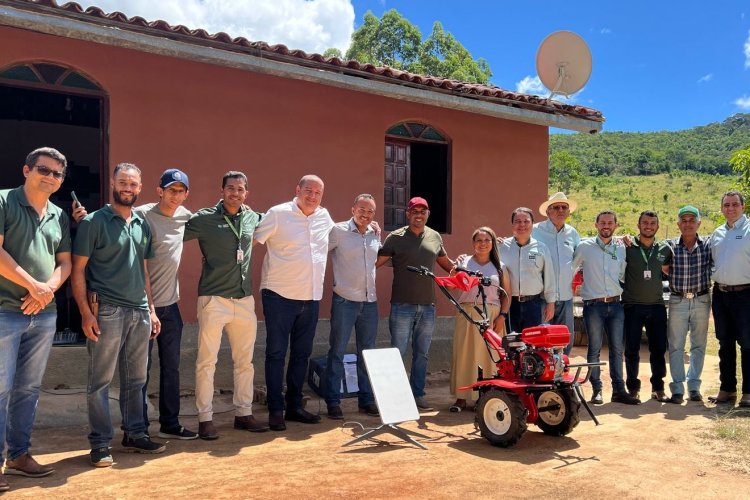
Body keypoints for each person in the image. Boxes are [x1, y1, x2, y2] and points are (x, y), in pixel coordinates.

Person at [72, 163, 165, 468]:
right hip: (107, 309)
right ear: (112, 183)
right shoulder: (93, 222)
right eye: (123, 182)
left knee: (136, 379)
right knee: (100, 382)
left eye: (133, 184)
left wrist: (151, 309)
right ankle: (100, 443)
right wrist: (86, 313)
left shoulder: (141, 223)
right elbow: (79, 271)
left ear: (140, 188)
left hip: (139, 311)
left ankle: (135, 433)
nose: (128, 188)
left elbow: (145, 271)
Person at [0, 148, 71, 491]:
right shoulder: (3, 201)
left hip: (43, 314)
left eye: (58, 173)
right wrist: (34, 286)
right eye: (44, 170)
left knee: (28, 389)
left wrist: (47, 291)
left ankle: (18, 456)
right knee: (0, 389)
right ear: (26, 168)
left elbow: (66, 262)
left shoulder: (58, 214)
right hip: (4, 311)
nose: (51, 177)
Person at [183, 171, 268, 439]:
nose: (236, 193)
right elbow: (171, 229)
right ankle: (205, 418)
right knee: (207, 362)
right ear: (222, 191)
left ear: (247, 193)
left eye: (241, 189)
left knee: (245, 362)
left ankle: (244, 413)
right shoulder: (203, 219)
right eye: (230, 188)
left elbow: (287, 219)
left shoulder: (254, 217)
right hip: (213, 299)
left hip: (244, 300)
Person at [255, 175, 334, 431]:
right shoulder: (278, 214)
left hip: (310, 298)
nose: (312, 196)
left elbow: (340, 235)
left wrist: (371, 225)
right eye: (308, 191)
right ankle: (275, 409)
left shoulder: (324, 217)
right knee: (276, 354)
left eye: (317, 193)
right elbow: (252, 239)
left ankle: (294, 406)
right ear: (297, 190)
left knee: (302, 355)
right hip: (279, 296)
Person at [376, 196, 454, 411]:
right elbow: (375, 263)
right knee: (397, 352)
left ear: (427, 214)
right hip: (402, 305)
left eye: (423, 211)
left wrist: (463, 270)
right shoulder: (395, 237)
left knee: (422, 353)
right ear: (408, 214)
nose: (419, 215)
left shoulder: (435, 237)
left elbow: (446, 263)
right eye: (415, 211)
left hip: (428, 306)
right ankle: (394, 397)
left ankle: (417, 393)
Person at [135, 169, 197, 439]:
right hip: (143, 306)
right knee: (141, 370)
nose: (175, 195)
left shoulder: (185, 217)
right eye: (171, 190)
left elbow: (215, 220)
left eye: (180, 191)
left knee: (171, 367)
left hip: (170, 307)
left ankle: (170, 423)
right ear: (159, 190)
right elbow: (109, 217)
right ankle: (139, 428)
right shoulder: (141, 215)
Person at [572, 210, 639, 406]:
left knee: (617, 349)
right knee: (594, 348)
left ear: (616, 225)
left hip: (616, 305)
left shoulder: (621, 249)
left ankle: (619, 390)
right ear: (596, 224)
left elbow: (624, 275)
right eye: (602, 222)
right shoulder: (584, 247)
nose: (606, 226)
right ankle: (597, 389)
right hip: (593, 306)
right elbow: (571, 269)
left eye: (610, 222)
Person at [324, 194, 381, 420]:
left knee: (367, 353)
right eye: (362, 210)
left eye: (370, 212)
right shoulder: (338, 231)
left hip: (369, 302)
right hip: (344, 301)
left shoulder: (374, 234)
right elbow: (318, 251)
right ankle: (332, 401)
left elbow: (381, 257)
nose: (365, 215)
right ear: (353, 209)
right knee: (337, 351)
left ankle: (366, 399)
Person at [449, 227, 511, 412]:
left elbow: (507, 294)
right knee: (464, 355)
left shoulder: (500, 266)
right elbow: (452, 287)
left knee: (489, 358)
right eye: (479, 240)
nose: (482, 244)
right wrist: (454, 272)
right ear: (473, 243)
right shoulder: (464, 261)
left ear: (493, 243)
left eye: (487, 240)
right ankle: (461, 397)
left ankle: (485, 396)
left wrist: (502, 316)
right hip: (467, 314)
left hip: (491, 316)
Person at [622, 210, 673, 402]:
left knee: (658, 349)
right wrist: (621, 236)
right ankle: (633, 388)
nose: (648, 226)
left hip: (657, 306)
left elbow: (669, 270)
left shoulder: (665, 249)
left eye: (652, 223)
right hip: (632, 306)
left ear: (658, 227)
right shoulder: (627, 246)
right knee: (631, 350)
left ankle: (658, 388)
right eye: (645, 223)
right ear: (638, 225)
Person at [664, 205, 712, 404]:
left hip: (701, 299)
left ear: (699, 223)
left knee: (698, 345)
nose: (688, 224)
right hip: (678, 300)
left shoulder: (708, 245)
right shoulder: (669, 247)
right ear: (678, 224)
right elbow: (663, 267)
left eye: (692, 220)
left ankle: (694, 387)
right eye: (684, 220)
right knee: (675, 346)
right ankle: (677, 388)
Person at [709, 190, 750, 407]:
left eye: (735, 204)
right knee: (725, 343)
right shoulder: (717, 233)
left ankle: (748, 393)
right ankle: (727, 389)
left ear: (743, 206)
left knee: (748, 344)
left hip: (746, 294)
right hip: (721, 293)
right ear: (722, 208)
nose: (731, 208)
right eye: (726, 205)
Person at [533, 193, 581, 355]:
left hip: (566, 296)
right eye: (556, 207)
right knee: (542, 340)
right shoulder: (534, 231)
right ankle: (543, 376)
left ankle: (562, 373)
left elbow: (580, 257)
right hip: (541, 297)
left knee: (565, 339)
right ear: (547, 211)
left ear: (568, 212)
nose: (561, 210)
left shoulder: (573, 234)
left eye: (564, 207)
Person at [499, 207, 555, 333]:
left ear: (532, 224)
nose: (522, 225)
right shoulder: (501, 247)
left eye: (526, 221)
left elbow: (549, 277)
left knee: (532, 344)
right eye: (518, 221)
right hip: (508, 304)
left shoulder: (541, 248)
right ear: (512, 224)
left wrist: (551, 303)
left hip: (534, 305)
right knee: (511, 343)